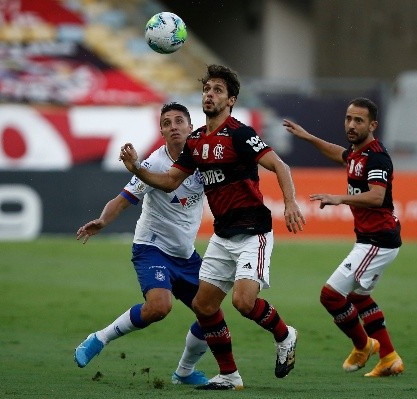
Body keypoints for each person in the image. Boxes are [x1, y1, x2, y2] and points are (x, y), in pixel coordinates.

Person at [119, 64, 306, 390]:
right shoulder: (194, 143)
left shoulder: (240, 134)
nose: (210, 94)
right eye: (207, 89)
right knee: (204, 307)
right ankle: (230, 375)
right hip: (222, 236)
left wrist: (290, 203)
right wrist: (136, 167)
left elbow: (279, 165)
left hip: (253, 233)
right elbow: (168, 181)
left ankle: (285, 335)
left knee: (243, 302)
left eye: (218, 90)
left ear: (231, 100)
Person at [73, 102, 209, 386]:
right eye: (167, 123)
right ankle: (99, 338)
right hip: (152, 247)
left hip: (185, 254)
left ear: (190, 126)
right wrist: (102, 221)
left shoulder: (204, 160)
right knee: (159, 307)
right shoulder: (153, 164)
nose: (174, 126)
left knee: (211, 315)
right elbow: (121, 200)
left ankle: (183, 372)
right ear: (161, 130)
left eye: (179, 121)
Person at [283, 97, 405, 377]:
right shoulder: (356, 152)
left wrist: (339, 198)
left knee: (331, 296)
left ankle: (363, 345)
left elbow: (377, 196)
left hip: (378, 240)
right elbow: (339, 154)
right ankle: (389, 357)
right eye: (348, 118)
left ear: (373, 125)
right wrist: (308, 137)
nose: (351, 125)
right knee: (361, 298)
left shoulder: (376, 156)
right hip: (372, 239)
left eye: (358, 120)